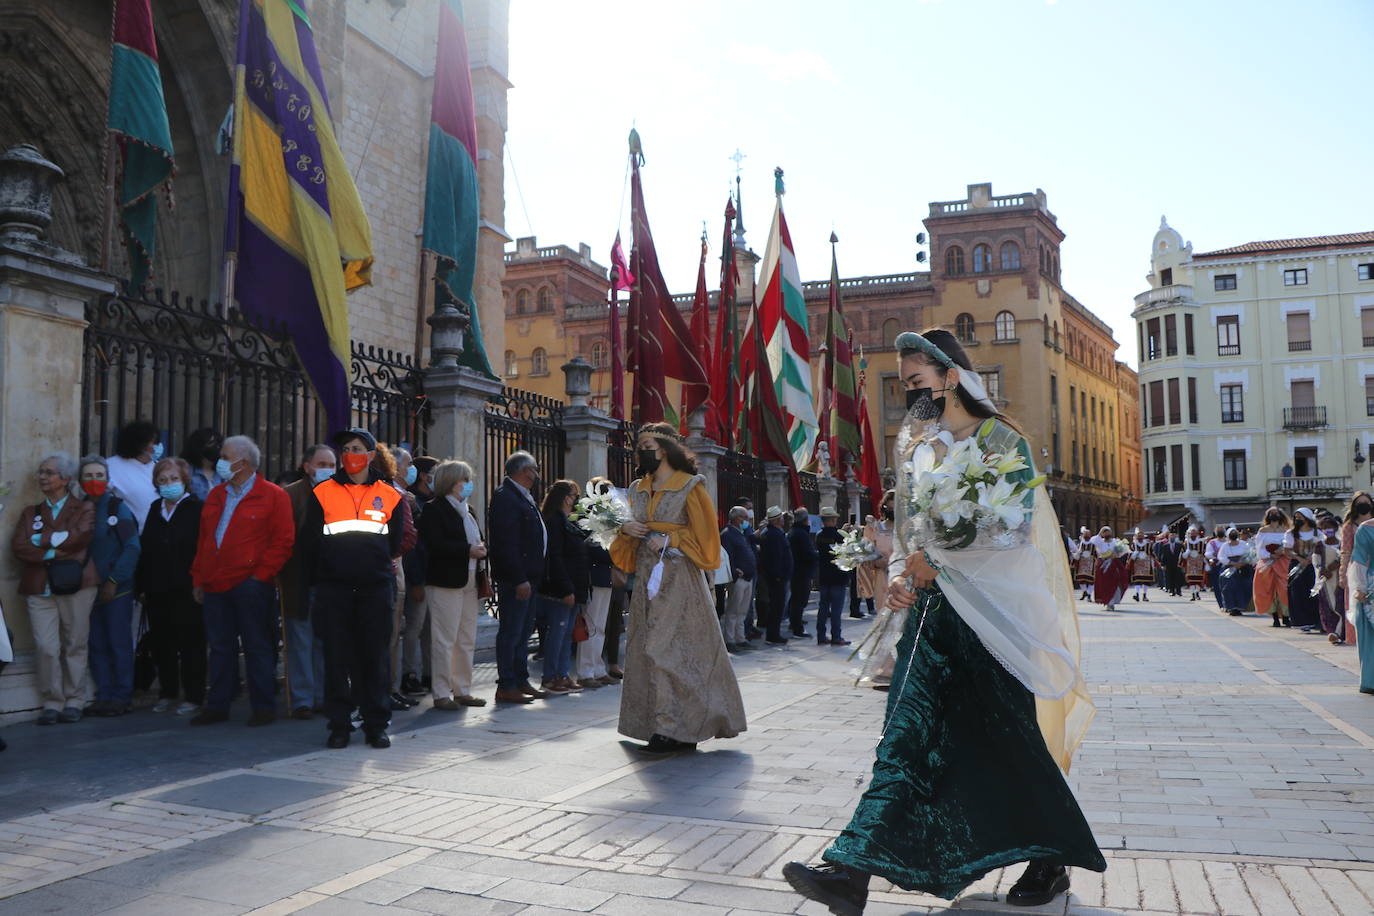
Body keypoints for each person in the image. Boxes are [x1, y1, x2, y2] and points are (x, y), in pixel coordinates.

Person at [784, 329, 1103, 912]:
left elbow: (1013, 526)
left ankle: (1051, 856)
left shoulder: (1002, 440)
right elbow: (914, 532)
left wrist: (939, 559)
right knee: (905, 737)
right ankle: (849, 871)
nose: (912, 396)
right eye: (906, 386)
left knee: (1008, 737)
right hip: (934, 617)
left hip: (992, 619)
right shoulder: (922, 449)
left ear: (951, 376)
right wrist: (905, 573)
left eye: (917, 382)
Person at [611, 422, 747, 754]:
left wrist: (671, 538)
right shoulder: (636, 488)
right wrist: (625, 528)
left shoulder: (690, 486)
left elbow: (708, 542)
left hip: (679, 580)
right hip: (646, 583)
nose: (642, 451)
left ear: (665, 449)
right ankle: (662, 726)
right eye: (639, 445)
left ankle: (676, 728)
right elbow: (624, 541)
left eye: (648, 444)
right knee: (646, 651)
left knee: (671, 652)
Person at [299, 427, 406, 748]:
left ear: (371, 455)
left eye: (357, 448)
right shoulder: (324, 493)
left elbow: (396, 541)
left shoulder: (389, 494)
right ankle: (339, 724)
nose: (350, 454)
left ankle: (376, 724)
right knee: (336, 658)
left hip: (374, 588)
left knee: (374, 658)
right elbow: (309, 543)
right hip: (334, 589)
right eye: (346, 448)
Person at [189, 435, 295, 727]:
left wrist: (260, 577)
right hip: (214, 583)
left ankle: (263, 706)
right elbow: (205, 541)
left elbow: (283, 542)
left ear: (243, 462)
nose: (219, 461)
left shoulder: (274, 495)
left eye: (224, 456)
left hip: (250, 584)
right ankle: (218, 704)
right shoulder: (216, 495)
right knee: (220, 646)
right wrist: (199, 578)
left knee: (257, 645)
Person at [11, 453, 98, 725]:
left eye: (48, 472)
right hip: (39, 585)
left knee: (75, 642)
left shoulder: (83, 508)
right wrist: (51, 551)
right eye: (41, 472)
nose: (42, 477)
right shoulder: (30, 512)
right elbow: (20, 546)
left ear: (65, 479)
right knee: (46, 646)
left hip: (76, 585)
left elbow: (79, 538)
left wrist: (41, 540)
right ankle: (52, 700)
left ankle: (75, 699)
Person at [137, 457, 205, 715]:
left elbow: (203, 548)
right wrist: (142, 585)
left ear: (185, 480)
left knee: (191, 642)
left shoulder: (196, 509)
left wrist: (200, 582)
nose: (168, 484)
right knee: (162, 642)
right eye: (163, 480)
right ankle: (167, 691)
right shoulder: (156, 508)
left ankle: (194, 694)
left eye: (174, 479)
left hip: (187, 587)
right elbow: (147, 548)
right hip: (158, 587)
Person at [419, 459, 488, 709]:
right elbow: (434, 544)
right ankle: (440, 692)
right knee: (444, 638)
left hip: (470, 579)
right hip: (445, 580)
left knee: (466, 637)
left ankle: (463, 689)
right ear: (451, 482)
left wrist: (480, 549)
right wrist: (468, 550)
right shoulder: (434, 509)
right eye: (464, 480)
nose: (469, 485)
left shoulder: (468, 511)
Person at [76, 456, 142, 716]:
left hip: (117, 589)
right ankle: (103, 695)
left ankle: (122, 695)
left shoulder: (117, 508)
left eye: (100, 476)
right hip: (85, 590)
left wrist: (114, 581)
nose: (94, 481)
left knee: (118, 643)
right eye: (89, 476)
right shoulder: (77, 510)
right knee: (96, 644)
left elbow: (132, 546)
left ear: (108, 479)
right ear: (80, 481)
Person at [276, 444, 335, 718]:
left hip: (330, 581)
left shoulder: (340, 494)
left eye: (332, 464)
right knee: (300, 641)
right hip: (299, 580)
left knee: (325, 642)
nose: (327, 469)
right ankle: (302, 700)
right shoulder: (290, 495)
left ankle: (323, 696)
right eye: (322, 463)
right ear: (307, 465)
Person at [488, 451, 549, 704]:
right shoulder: (506, 498)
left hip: (530, 577)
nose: (537, 474)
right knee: (512, 631)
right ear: (525, 471)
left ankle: (521, 679)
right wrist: (519, 578)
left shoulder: (523, 496)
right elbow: (506, 543)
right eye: (535, 469)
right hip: (517, 579)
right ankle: (507, 684)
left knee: (524, 632)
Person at [537, 480, 590, 695]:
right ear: (565, 497)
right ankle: (550, 677)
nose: (575, 499)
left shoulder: (568, 521)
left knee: (567, 633)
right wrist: (566, 588)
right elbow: (556, 557)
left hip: (573, 585)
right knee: (557, 633)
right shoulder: (554, 521)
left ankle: (563, 674)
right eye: (574, 495)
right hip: (561, 588)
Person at [400, 455, 439, 694]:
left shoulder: (432, 502)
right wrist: (416, 580)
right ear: (425, 476)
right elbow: (414, 546)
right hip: (418, 575)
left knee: (429, 629)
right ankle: (409, 674)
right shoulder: (413, 503)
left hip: (433, 576)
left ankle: (429, 673)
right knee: (413, 628)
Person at [578, 525, 617, 688]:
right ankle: (585, 671)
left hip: (605, 578)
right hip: (594, 577)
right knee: (591, 626)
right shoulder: (590, 521)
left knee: (600, 627)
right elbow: (595, 549)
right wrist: (616, 553)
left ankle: (597, 668)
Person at [105, 420, 161, 533]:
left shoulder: (159, 466)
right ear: (139, 445)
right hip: (129, 535)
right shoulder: (111, 466)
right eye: (153, 442)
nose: (158, 446)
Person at [720, 506, 757, 651]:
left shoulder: (741, 533)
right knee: (733, 611)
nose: (747, 521)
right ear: (737, 518)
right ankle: (730, 640)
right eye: (745, 518)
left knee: (742, 611)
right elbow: (727, 556)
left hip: (748, 577)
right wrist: (735, 572)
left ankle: (740, 638)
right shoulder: (727, 534)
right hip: (738, 579)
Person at [1344, 517, 1374, 694]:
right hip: (1370, 585)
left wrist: (1361, 588)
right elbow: (1359, 560)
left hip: (1370, 583)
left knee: (1370, 636)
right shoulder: (1365, 528)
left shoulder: (1365, 528)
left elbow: (1360, 559)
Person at [1339, 493, 1372, 648]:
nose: (1364, 505)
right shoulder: (1349, 526)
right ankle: (1358, 638)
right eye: (1360, 503)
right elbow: (1345, 551)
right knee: (1356, 605)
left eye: (1366, 502)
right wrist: (1343, 573)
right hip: (1356, 571)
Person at [815, 506, 850, 647]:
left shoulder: (819, 535)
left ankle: (821, 636)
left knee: (823, 608)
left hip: (824, 576)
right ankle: (836, 636)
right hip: (838, 577)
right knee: (836, 609)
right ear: (834, 519)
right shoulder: (840, 535)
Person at [855, 494, 895, 618]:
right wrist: (877, 561)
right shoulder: (875, 529)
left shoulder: (909, 529)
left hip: (906, 581)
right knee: (885, 619)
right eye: (890, 507)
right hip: (882, 582)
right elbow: (865, 555)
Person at [758, 506, 792, 645]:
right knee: (776, 606)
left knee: (776, 606)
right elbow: (776, 557)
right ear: (778, 520)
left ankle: (774, 633)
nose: (783, 520)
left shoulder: (772, 532)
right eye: (782, 518)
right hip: (777, 578)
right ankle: (773, 635)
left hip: (776, 576)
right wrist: (779, 576)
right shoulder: (775, 535)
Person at [1253, 507, 1291, 627]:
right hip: (1267, 563)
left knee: (1284, 590)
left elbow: (1290, 545)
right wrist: (1270, 555)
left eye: (1276, 513)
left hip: (1283, 562)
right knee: (1269, 589)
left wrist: (1282, 552)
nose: (1274, 515)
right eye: (1271, 513)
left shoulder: (1286, 530)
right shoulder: (1263, 531)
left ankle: (1286, 615)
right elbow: (1259, 548)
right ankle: (1274, 617)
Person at [1286, 507, 1321, 632]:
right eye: (1296, 517)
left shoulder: (1316, 532)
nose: (1297, 520)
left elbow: (1322, 546)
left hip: (1313, 565)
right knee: (1298, 593)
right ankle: (1301, 621)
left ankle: (1315, 620)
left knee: (1313, 592)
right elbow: (1287, 550)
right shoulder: (1291, 533)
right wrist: (1299, 559)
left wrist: (1312, 558)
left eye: (1300, 517)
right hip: (1297, 565)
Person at [786, 508, 817, 638]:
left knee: (796, 599)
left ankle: (794, 622)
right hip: (801, 571)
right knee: (800, 599)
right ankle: (797, 627)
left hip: (798, 571)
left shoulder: (795, 532)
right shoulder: (800, 534)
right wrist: (817, 555)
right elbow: (807, 553)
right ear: (805, 520)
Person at [1314, 516, 1345, 643]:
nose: (1327, 530)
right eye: (1324, 528)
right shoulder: (1319, 545)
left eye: (1330, 527)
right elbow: (1316, 562)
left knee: (1341, 606)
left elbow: (1345, 558)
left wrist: (1337, 565)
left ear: (1336, 528)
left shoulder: (1342, 544)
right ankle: (1332, 632)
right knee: (1328, 607)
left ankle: (1339, 633)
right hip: (1326, 581)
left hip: (1340, 579)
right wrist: (1323, 571)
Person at [1216, 528, 1253, 616]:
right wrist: (1232, 563)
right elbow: (1221, 557)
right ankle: (1231, 607)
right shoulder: (1225, 546)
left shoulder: (1243, 544)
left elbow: (1250, 554)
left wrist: (1243, 562)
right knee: (1228, 587)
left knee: (1244, 586)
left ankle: (1240, 607)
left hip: (1243, 567)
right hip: (1229, 568)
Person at [1090, 526, 1128, 611]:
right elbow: (1093, 540)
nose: (1106, 533)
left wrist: (1116, 554)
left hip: (1113, 565)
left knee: (1114, 583)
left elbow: (1122, 551)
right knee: (1104, 584)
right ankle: (1107, 602)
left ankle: (1111, 602)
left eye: (1108, 532)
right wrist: (1100, 532)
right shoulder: (1100, 542)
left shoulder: (1115, 542)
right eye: (1104, 532)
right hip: (1102, 566)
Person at [181, 427, 224, 501]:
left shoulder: (224, 471)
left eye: (218, 443)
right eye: (211, 443)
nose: (217, 447)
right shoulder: (186, 471)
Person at [1181, 526, 1207, 601]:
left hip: (1199, 564)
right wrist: (1187, 552)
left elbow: (1204, 553)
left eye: (1194, 533)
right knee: (1191, 580)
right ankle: (1193, 594)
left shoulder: (1201, 543)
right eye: (1191, 533)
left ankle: (1197, 593)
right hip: (1190, 564)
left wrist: (1206, 563)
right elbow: (1183, 555)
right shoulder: (1186, 543)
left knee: (1198, 580)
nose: (1193, 534)